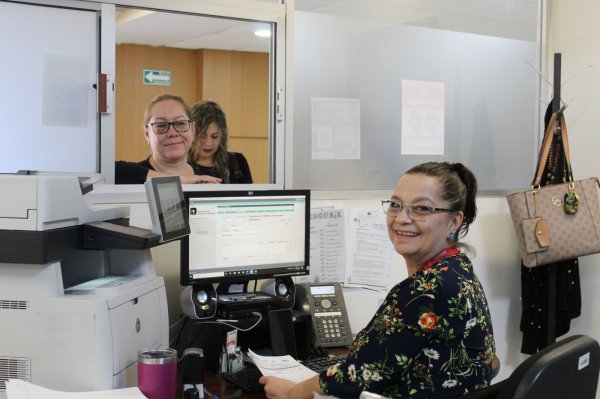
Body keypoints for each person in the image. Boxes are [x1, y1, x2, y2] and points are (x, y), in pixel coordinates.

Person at [260, 162, 496, 399]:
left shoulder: (428, 289)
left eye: (422, 208)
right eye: (395, 205)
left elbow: (356, 376)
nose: (402, 218)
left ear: (454, 221)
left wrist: (292, 392)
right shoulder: (457, 269)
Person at [115, 94, 222, 184]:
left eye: (180, 123)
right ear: (147, 134)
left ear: (193, 131)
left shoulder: (210, 179)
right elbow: (112, 170)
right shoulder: (129, 179)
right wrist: (181, 180)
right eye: (161, 125)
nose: (172, 133)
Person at [188, 100, 253, 183]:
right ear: (190, 133)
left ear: (222, 136)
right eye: (202, 136)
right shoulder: (179, 165)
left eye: (214, 136)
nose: (208, 143)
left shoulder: (238, 162)